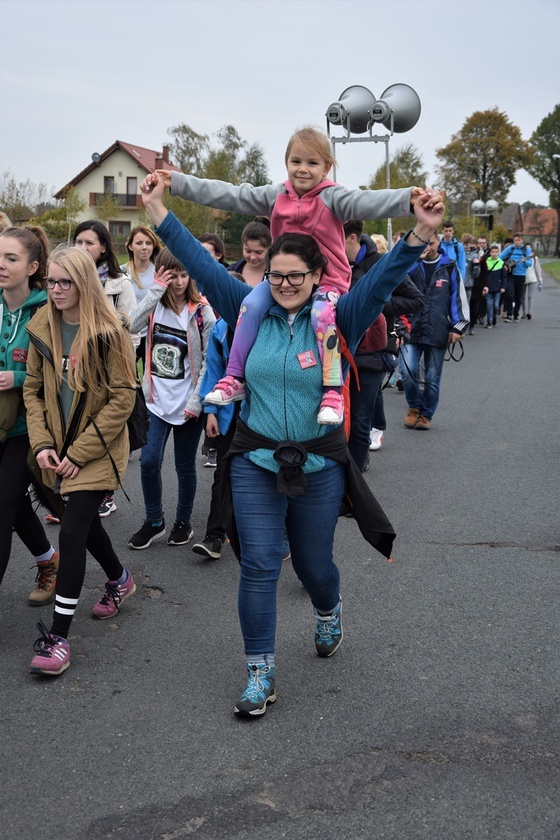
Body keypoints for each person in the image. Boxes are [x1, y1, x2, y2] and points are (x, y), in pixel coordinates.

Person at [140, 169, 445, 717]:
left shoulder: (340, 316)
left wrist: (418, 233)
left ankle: (329, 609)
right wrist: (159, 212)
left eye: (295, 276)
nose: (283, 285)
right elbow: (203, 265)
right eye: (275, 276)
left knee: (312, 565)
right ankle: (260, 672)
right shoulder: (246, 307)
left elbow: (382, 281)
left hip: (319, 461)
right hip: (255, 458)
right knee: (258, 563)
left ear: (317, 274)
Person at [154, 125, 423, 425]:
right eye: (296, 162)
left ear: (327, 167)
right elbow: (229, 195)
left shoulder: (333, 198)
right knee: (250, 306)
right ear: (286, 163)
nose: (303, 169)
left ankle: (332, 389)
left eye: (312, 163)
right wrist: (177, 182)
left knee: (323, 315)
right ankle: (234, 377)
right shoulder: (276, 196)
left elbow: (368, 201)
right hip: (278, 278)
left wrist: (407, 201)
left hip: (328, 283)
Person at [24, 246, 137, 676]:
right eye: (50, 282)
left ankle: (57, 639)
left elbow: (123, 399)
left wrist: (78, 453)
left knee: (71, 534)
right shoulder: (42, 328)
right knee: (84, 525)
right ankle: (120, 580)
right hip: (54, 445)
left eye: (64, 282)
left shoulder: (111, 331)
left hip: (98, 448)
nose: (55, 290)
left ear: (85, 283)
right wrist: (41, 446)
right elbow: (33, 391)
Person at [127, 248, 215, 550]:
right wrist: (155, 291)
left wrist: (196, 401)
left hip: (188, 402)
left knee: (185, 466)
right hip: (156, 401)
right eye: (171, 275)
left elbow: (208, 361)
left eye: (182, 274)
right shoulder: (153, 305)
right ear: (160, 274)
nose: (178, 282)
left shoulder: (202, 311)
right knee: (149, 461)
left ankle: (183, 521)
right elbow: (130, 326)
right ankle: (154, 521)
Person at [0, 226, 59, 605]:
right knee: (15, 502)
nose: (1, 265)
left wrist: (16, 377)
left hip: (28, 427)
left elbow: (59, 370)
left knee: (3, 509)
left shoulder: (46, 310)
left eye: (11, 258)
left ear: (33, 265)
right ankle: (49, 561)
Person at [73, 220, 139, 518]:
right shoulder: (68, 280)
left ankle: (103, 493)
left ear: (103, 248)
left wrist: (119, 364)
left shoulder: (119, 283)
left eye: (89, 243)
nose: (83, 248)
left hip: (106, 369)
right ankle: (75, 492)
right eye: (78, 242)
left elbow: (131, 327)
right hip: (73, 367)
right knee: (75, 428)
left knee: (105, 429)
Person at [401, 233, 469, 430]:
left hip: (438, 329)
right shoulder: (411, 264)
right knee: (407, 371)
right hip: (411, 328)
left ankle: (426, 414)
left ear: (438, 242)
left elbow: (457, 297)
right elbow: (398, 288)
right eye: (424, 243)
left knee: (432, 376)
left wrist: (458, 326)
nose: (427, 247)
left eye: (430, 243)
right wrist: (415, 260)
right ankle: (413, 407)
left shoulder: (449, 266)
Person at [120, 225, 162, 366]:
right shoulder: (122, 272)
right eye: (139, 243)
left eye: (148, 243)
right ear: (130, 246)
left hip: (154, 334)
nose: (144, 247)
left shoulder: (159, 272)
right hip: (128, 334)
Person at [500, 233, 533, 322]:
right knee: (510, 294)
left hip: (521, 275)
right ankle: (509, 315)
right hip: (511, 274)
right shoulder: (510, 248)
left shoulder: (527, 250)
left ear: (522, 240)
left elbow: (530, 263)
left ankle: (516, 314)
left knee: (518, 296)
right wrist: (504, 265)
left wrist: (525, 261)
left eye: (519, 240)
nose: (517, 242)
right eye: (515, 240)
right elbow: (500, 257)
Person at [481, 245, 506, 328]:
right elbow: (483, 275)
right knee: (489, 305)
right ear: (490, 253)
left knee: (495, 306)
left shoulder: (501, 263)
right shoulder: (486, 262)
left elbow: (503, 276)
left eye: (496, 252)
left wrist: (503, 286)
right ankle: (489, 322)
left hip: (497, 288)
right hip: (488, 287)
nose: (494, 254)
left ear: (498, 253)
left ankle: (494, 317)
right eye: (493, 252)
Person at [521, 242, 543, 319]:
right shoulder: (522, 257)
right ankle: (523, 312)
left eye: (529, 248)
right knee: (522, 297)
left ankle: (529, 312)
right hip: (523, 278)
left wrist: (540, 282)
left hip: (532, 279)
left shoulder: (534, 258)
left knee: (530, 296)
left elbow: (538, 270)